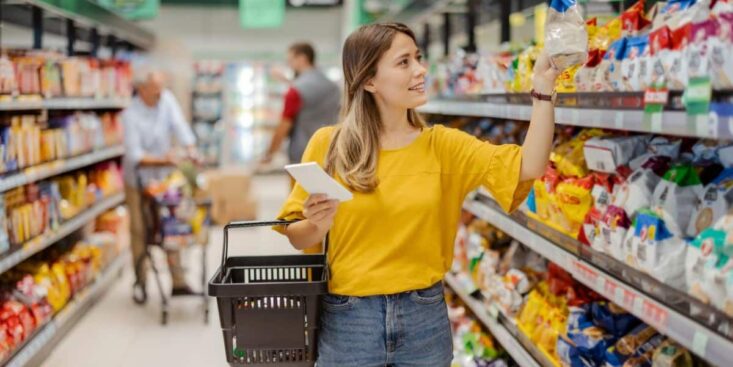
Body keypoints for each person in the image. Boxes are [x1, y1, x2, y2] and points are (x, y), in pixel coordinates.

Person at [275, 23, 560, 366]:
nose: (421, 69)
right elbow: (295, 234)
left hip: (424, 318)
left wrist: (543, 93)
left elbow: (528, 165)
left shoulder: (442, 145)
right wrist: (317, 225)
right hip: (349, 319)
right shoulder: (329, 145)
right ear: (369, 81)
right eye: (404, 62)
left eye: (418, 58)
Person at [122, 68, 199, 303]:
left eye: (161, 88)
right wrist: (166, 158)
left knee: (171, 224)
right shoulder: (130, 114)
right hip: (138, 180)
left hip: (164, 179)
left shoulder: (165, 100)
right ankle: (140, 281)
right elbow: (136, 155)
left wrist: (191, 148)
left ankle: (178, 281)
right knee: (140, 230)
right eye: (155, 89)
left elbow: (180, 126)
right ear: (142, 89)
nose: (160, 93)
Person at [261, 42, 340, 166]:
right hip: (330, 151)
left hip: (302, 154)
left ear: (302, 59)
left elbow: (284, 125)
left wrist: (270, 153)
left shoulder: (295, 91)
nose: (289, 64)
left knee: (300, 186)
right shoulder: (333, 87)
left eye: (290, 60)